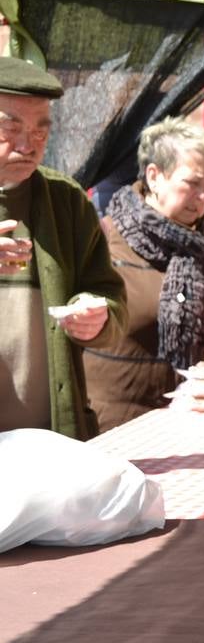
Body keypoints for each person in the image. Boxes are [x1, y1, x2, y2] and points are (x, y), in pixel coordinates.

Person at [0, 57, 127, 440]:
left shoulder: (66, 200)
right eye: (11, 127)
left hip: (50, 443)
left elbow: (109, 293)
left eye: (41, 131)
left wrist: (97, 315)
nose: (28, 145)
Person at [84, 118, 204, 430]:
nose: (203, 198)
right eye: (192, 184)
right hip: (112, 432)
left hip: (194, 426)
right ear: (154, 176)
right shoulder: (101, 242)